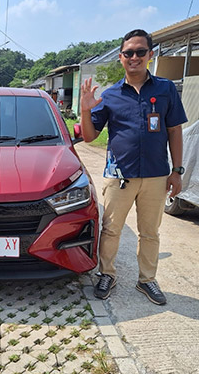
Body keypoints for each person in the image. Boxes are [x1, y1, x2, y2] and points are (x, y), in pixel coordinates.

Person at [80, 29, 187, 305]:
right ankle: (107, 274)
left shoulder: (165, 89)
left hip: (156, 175)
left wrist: (177, 171)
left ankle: (147, 280)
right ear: (121, 57)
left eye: (140, 52)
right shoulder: (110, 95)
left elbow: (174, 130)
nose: (134, 57)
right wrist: (85, 110)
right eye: (129, 53)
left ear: (150, 54)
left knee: (150, 232)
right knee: (111, 229)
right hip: (119, 176)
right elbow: (90, 136)